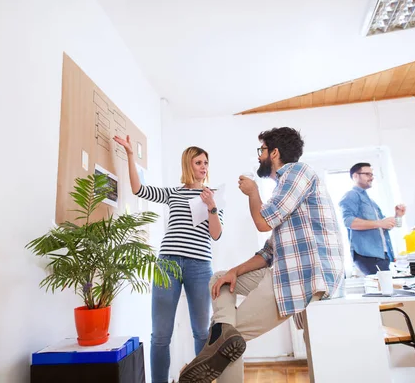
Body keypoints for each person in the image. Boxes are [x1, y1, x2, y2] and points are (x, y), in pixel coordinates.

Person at [178, 127, 344, 383]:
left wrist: (253, 192)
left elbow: (263, 222)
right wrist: (234, 272)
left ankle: (219, 338)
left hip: (302, 278)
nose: (259, 156)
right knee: (220, 278)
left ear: (274, 152)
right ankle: (222, 331)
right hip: (285, 273)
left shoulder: (299, 172)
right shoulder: (285, 190)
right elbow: (269, 251)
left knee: (229, 341)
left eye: (262, 150)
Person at [113, 135, 223, 383]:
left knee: (201, 332)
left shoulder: (213, 196)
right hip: (168, 264)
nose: (203, 167)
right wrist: (131, 155)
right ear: (188, 165)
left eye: (205, 162)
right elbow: (138, 189)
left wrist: (211, 206)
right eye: (198, 162)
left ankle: (201, 380)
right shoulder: (174, 193)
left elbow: (216, 234)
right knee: (161, 335)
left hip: (199, 266)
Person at [338, 163, 405, 276]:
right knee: (384, 289)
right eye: (367, 174)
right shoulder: (351, 195)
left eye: (372, 174)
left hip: (382, 255)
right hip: (368, 255)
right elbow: (348, 222)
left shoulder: (371, 201)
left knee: (386, 289)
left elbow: (385, 227)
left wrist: (398, 216)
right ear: (355, 176)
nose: (371, 177)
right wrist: (379, 223)